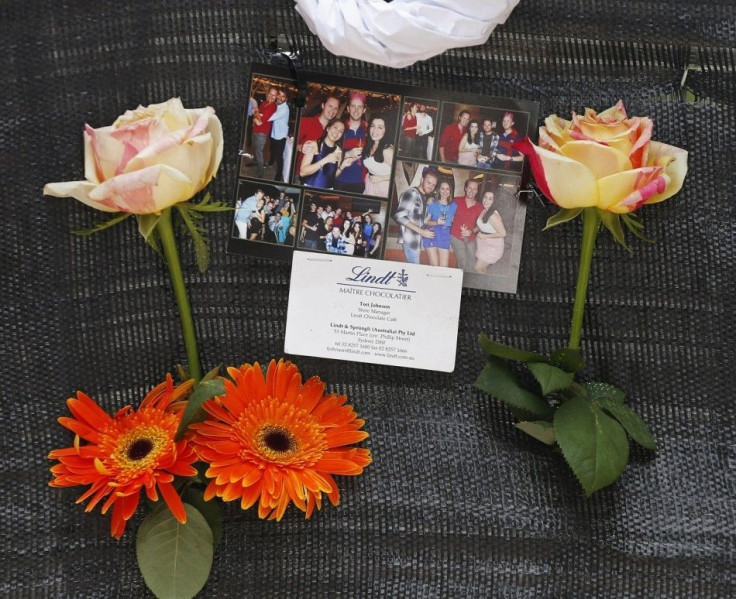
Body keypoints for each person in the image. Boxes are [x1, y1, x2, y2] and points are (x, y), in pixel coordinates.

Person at [393, 166, 438, 263]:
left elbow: (424, 220)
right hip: (410, 240)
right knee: (414, 269)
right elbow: (398, 216)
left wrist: (434, 218)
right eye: (428, 182)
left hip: (417, 240)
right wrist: (421, 231)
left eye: (433, 185)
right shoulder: (411, 193)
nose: (430, 186)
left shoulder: (423, 197)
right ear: (422, 180)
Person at [295, 95, 340, 180]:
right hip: (302, 173)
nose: (332, 111)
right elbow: (291, 143)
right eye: (330, 106)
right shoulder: (306, 122)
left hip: (322, 175)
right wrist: (301, 147)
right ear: (323, 105)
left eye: (335, 108)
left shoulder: (335, 130)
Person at [334, 91, 368, 193]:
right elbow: (329, 152)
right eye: (353, 106)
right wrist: (348, 154)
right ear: (348, 109)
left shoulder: (369, 131)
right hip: (340, 180)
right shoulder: (339, 129)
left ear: (364, 110)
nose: (356, 110)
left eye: (360, 107)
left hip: (360, 182)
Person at [299, 118, 345, 188]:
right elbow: (302, 172)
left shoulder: (339, 152)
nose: (337, 132)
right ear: (328, 128)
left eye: (341, 131)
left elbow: (332, 176)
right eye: (335, 127)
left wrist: (342, 166)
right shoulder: (314, 145)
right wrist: (326, 160)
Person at [450, 179, 484, 271]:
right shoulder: (456, 200)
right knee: (463, 264)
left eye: (474, 189)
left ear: (477, 191)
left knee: (472, 264)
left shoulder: (479, 207)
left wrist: (471, 231)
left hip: (471, 237)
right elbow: (445, 210)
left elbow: (481, 225)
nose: (472, 191)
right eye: (469, 188)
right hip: (456, 236)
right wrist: (431, 200)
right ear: (465, 188)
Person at [424, 180, 457, 267]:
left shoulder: (454, 206)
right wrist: (436, 222)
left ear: (450, 191)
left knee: (444, 267)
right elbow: (426, 221)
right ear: (439, 190)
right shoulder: (432, 203)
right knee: (434, 266)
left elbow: (456, 220)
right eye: (442, 188)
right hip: (432, 234)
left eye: (447, 189)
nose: (445, 191)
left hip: (445, 235)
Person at [360, 116, 393, 198]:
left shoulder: (387, 150)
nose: (375, 130)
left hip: (383, 187)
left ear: (386, 131)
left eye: (380, 127)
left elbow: (398, 175)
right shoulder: (370, 144)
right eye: (373, 126)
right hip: (370, 184)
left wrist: (382, 178)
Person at [474, 191, 506, 272]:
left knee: (477, 268)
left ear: (494, 201)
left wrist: (485, 236)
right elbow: (484, 226)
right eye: (485, 197)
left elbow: (503, 233)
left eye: (490, 199)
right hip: (484, 244)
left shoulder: (493, 215)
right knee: (482, 268)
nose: (486, 200)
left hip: (493, 246)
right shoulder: (485, 210)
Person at [252, 87, 278, 178]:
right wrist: (257, 115)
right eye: (270, 94)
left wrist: (256, 116)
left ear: (276, 97)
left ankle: (260, 175)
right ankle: (255, 164)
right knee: (255, 148)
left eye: (273, 95)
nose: (271, 96)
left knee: (259, 153)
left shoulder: (273, 106)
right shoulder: (264, 103)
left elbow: (260, 121)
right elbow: (256, 113)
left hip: (262, 133)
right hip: (255, 130)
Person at [268, 89, 290, 181]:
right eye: (279, 95)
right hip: (274, 133)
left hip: (281, 136)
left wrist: (258, 114)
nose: (280, 98)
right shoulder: (277, 105)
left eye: (283, 96)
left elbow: (269, 117)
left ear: (286, 99)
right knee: (272, 149)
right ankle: (270, 162)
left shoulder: (284, 109)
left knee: (279, 157)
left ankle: (278, 176)